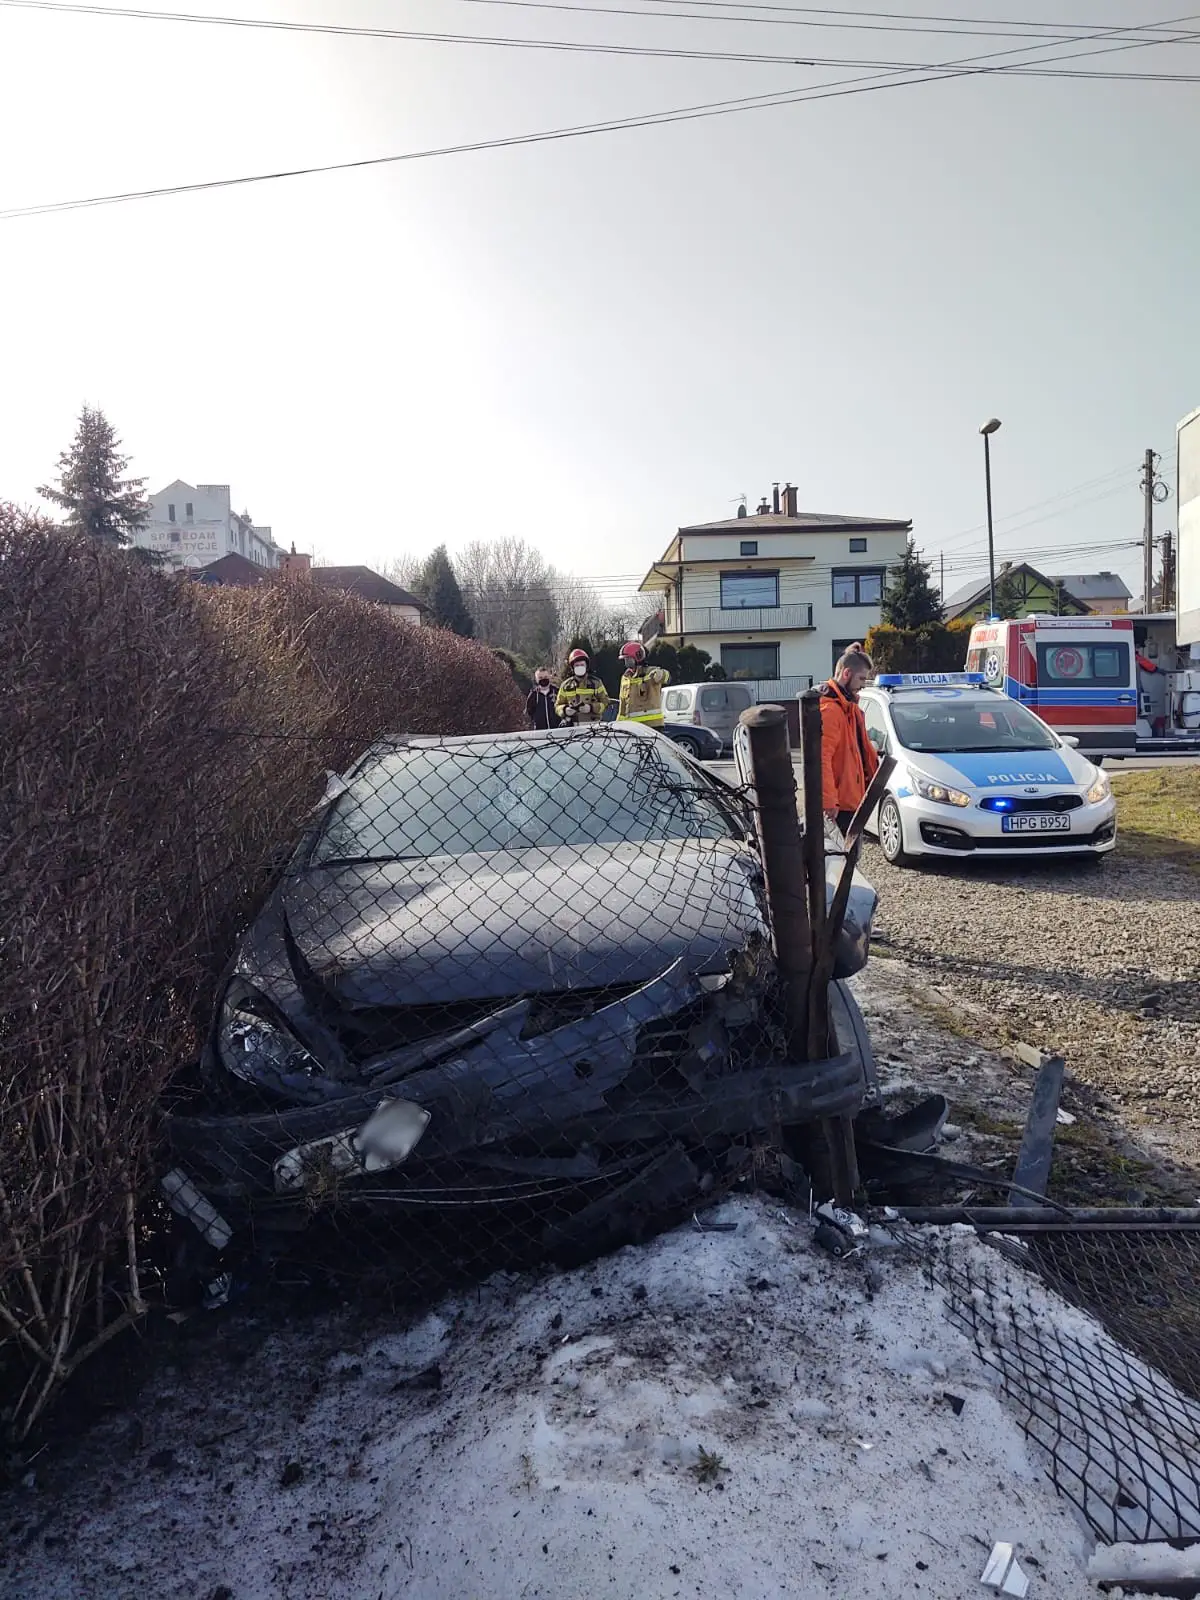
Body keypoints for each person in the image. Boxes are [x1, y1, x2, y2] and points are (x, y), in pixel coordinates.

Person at [819, 644, 879, 835]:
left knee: (848, 859)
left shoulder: (847, 708)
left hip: (849, 801)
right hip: (841, 806)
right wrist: (829, 801)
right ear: (847, 674)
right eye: (861, 678)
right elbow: (822, 759)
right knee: (842, 861)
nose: (863, 685)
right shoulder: (831, 711)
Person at [616, 641, 670, 727]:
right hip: (633, 727)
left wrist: (661, 674)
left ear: (638, 657)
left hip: (653, 725)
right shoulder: (625, 678)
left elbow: (665, 677)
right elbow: (622, 705)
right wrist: (618, 724)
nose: (626, 663)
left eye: (628, 659)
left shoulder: (650, 672)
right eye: (625, 660)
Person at [555, 648, 610, 725]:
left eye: (582, 665)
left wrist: (591, 708)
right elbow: (557, 706)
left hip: (593, 727)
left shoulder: (596, 683)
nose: (579, 667)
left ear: (586, 666)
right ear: (572, 668)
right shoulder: (565, 685)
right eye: (577, 665)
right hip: (571, 728)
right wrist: (565, 710)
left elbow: (606, 703)